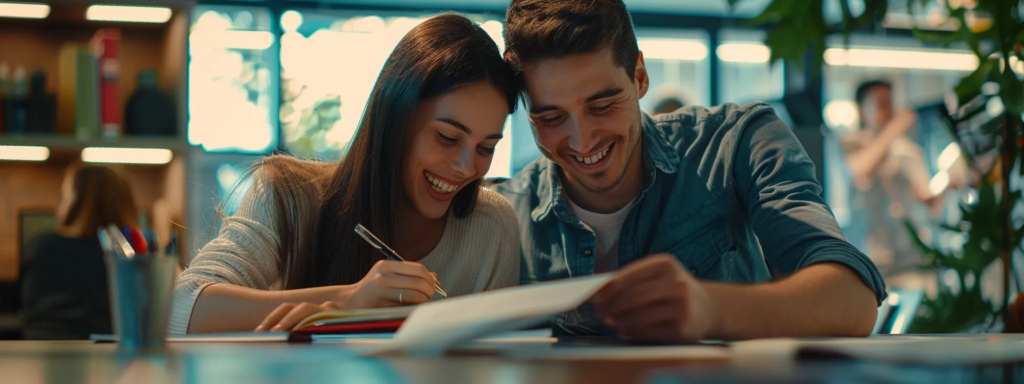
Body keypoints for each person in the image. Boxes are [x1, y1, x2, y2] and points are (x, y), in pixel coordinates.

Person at [492, 0, 886, 343]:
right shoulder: (503, 213)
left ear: (640, 75)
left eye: (602, 106)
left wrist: (713, 309)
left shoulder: (735, 144)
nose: (580, 141)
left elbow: (852, 299)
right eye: (551, 117)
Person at [171, 14, 521, 334]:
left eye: (486, 147)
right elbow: (177, 309)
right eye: (447, 137)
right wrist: (344, 303)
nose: (466, 166)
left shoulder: (491, 227)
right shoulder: (288, 197)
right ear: (394, 121)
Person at [20, 163, 139, 340]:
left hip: (43, 350)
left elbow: (23, 306)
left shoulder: (41, 246)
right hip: (111, 353)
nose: (58, 208)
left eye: (64, 197)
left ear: (77, 201)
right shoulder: (132, 256)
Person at [842, 80, 946, 275]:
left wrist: (948, 182)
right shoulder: (852, 142)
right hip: (872, 256)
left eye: (889, 102)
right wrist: (894, 129)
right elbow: (860, 171)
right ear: (862, 108)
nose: (888, 109)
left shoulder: (907, 148)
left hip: (911, 254)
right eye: (879, 103)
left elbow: (926, 199)